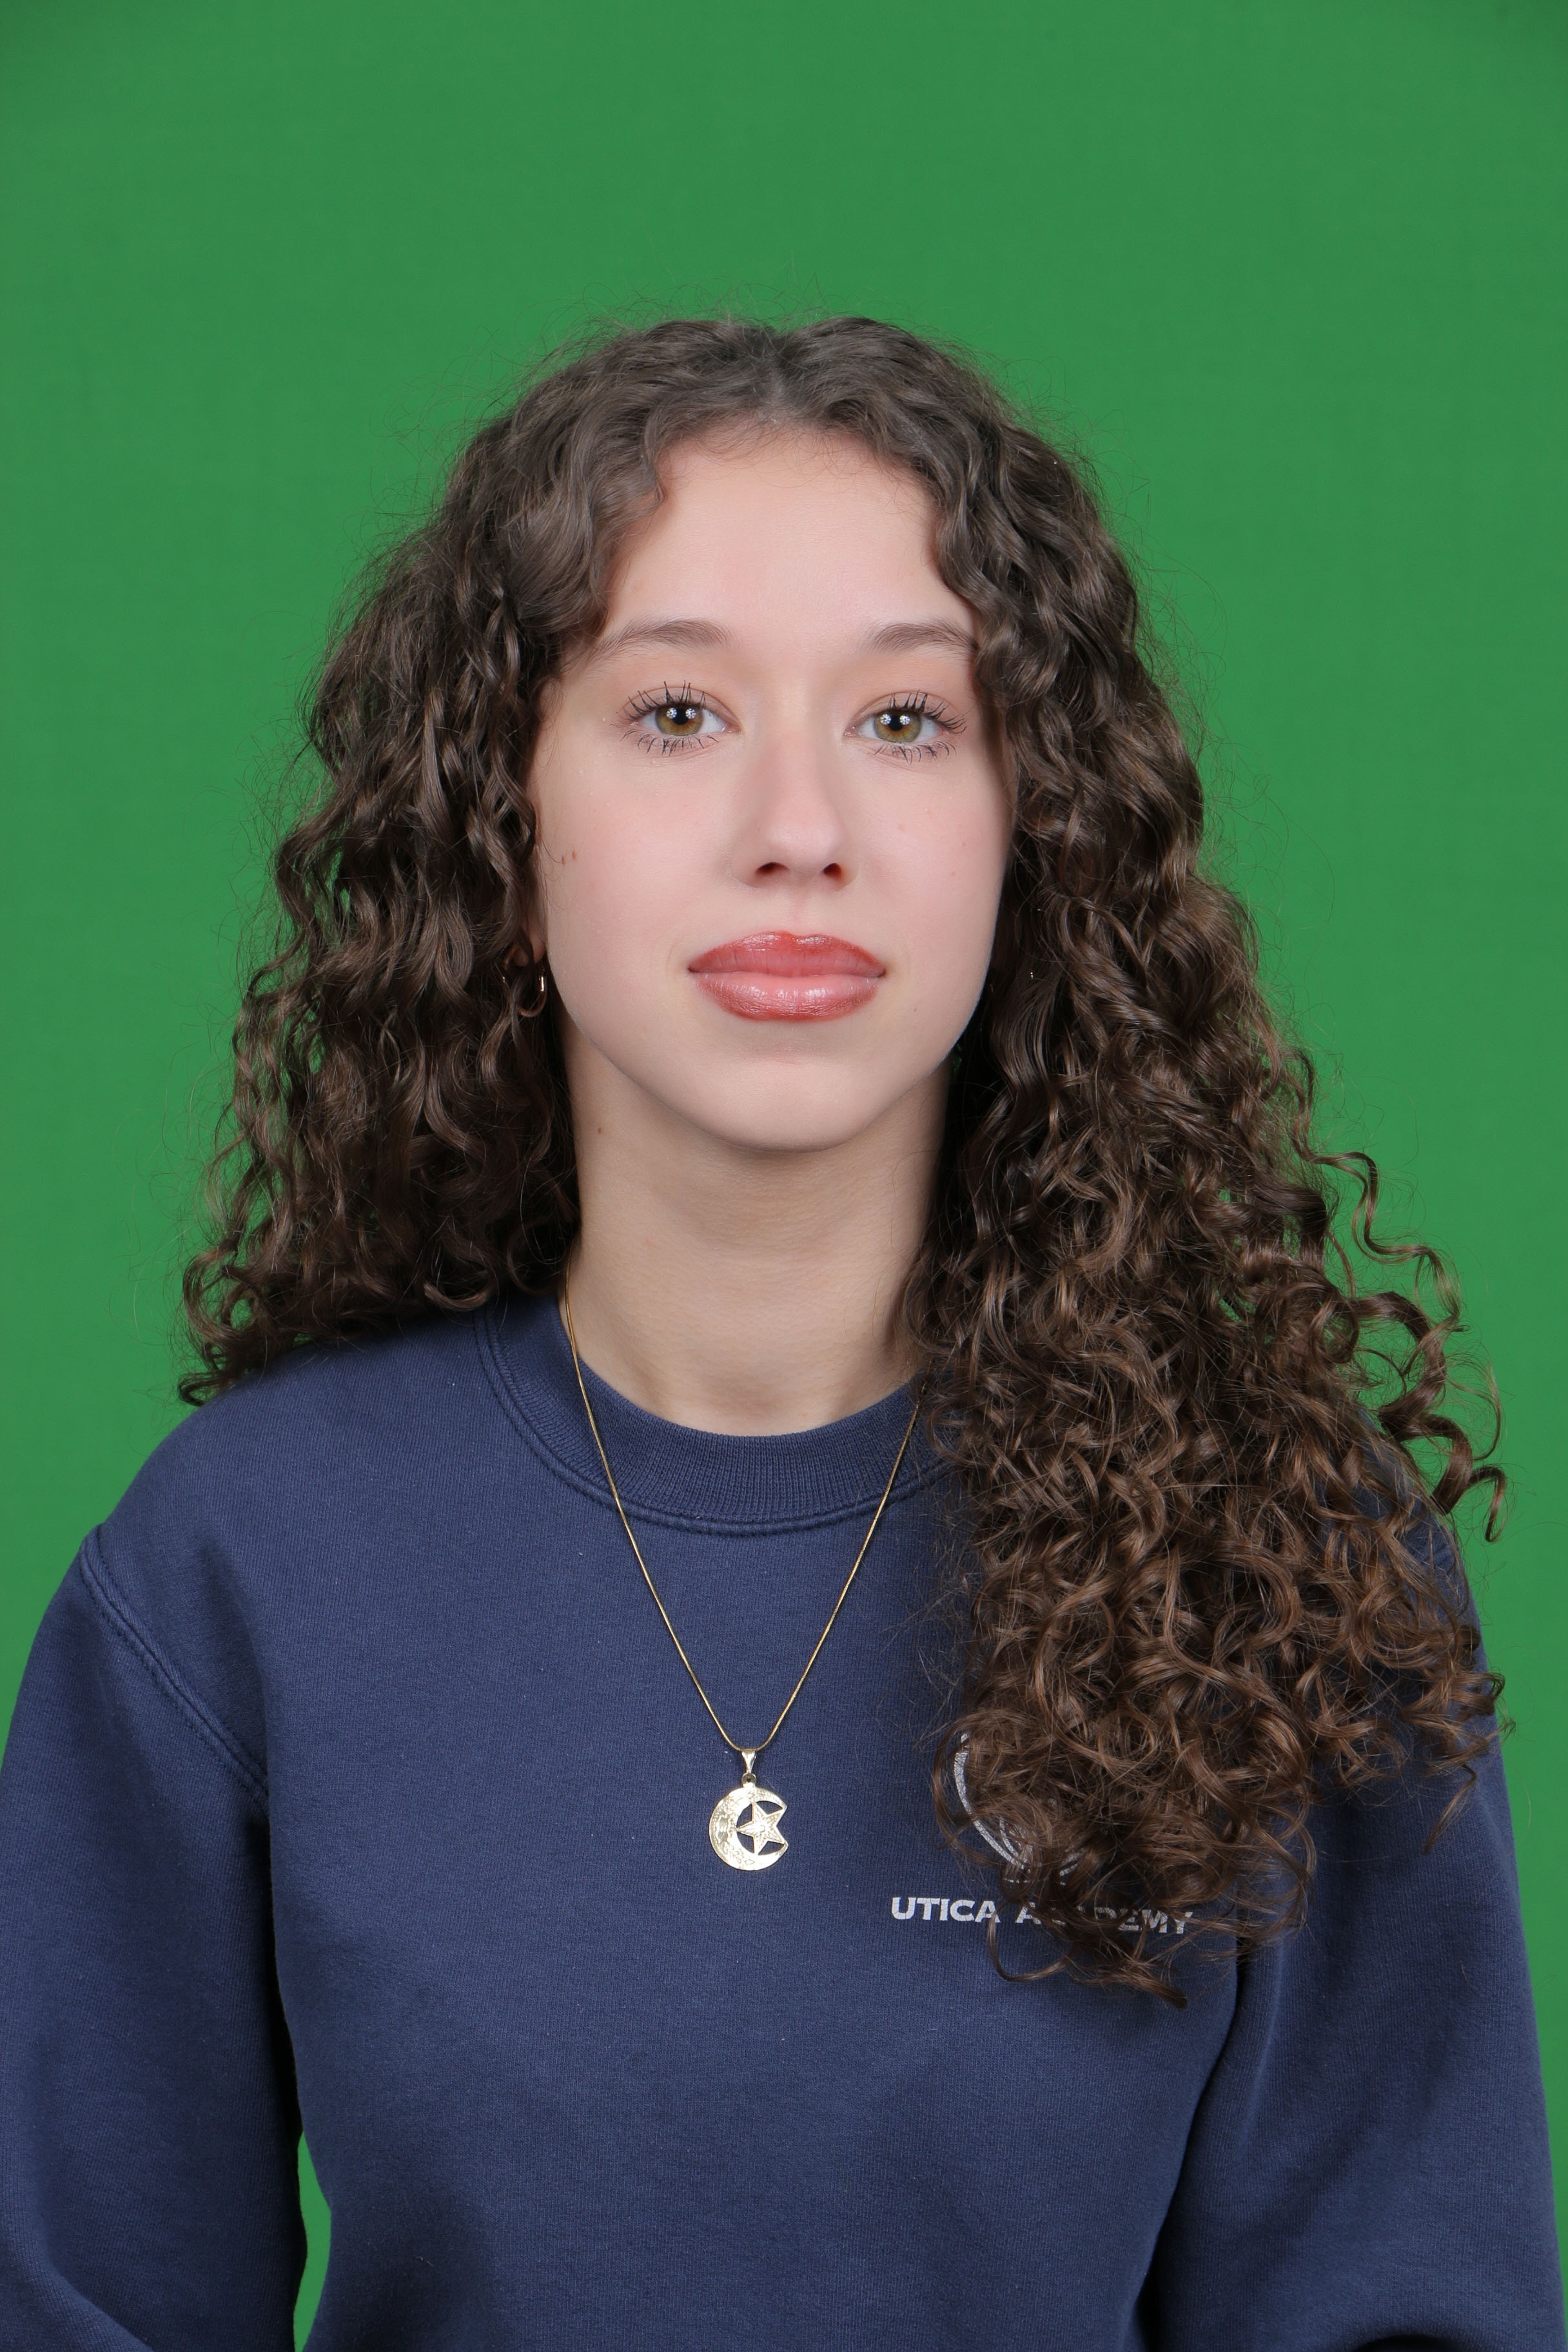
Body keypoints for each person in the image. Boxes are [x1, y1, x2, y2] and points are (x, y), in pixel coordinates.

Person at [0, 315, 1560, 2349]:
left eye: (906, 719)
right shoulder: (242, 1569)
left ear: (1036, 828)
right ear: (504, 822)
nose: (799, 823)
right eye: (676, 713)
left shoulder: (1278, 1562)